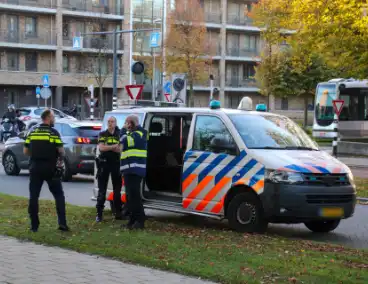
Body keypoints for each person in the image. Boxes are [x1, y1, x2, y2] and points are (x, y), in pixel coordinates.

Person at [23, 109, 69, 232]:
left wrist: (37, 153)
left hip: (35, 167)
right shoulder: (53, 132)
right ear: (48, 117)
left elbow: (26, 151)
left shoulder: (32, 131)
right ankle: (62, 223)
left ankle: (34, 226)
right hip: (51, 168)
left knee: (33, 196)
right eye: (53, 117)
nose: (54, 119)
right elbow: (61, 151)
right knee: (59, 195)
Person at [120, 115, 147, 230]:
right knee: (130, 197)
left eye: (128, 123)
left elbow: (126, 142)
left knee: (135, 196)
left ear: (133, 123)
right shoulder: (130, 134)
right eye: (126, 123)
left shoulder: (141, 133)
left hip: (136, 169)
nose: (127, 125)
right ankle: (131, 220)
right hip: (128, 169)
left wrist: (122, 130)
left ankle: (140, 220)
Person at [96, 116, 122, 222]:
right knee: (102, 190)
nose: (110, 123)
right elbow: (101, 148)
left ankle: (118, 213)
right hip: (104, 164)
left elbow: (120, 149)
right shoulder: (103, 134)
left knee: (117, 190)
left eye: (112, 122)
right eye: (108, 122)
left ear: (116, 123)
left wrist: (108, 147)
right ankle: (99, 214)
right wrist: (113, 147)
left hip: (116, 164)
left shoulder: (120, 134)